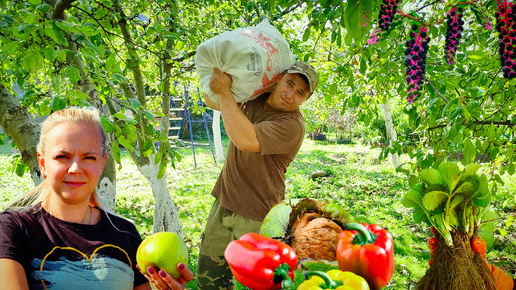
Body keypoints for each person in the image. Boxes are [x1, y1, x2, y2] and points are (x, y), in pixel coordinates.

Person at [0, 107, 193, 290]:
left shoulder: (125, 233)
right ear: (42, 163)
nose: (75, 168)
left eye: (89, 157)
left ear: (102, 163)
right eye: (62, 156)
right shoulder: (13, 229)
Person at [197, 61, 319, 289]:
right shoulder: (254, 97)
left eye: (300, 92)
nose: (290, 94)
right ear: (279, 78)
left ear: (305, 99)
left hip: (257, 217)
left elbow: (244, 139)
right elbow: (211, 100)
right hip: (224, 203)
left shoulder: (292, 125)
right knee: (209, 280)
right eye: (289, 83)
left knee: (263, 285)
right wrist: (222, 79)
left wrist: (224, 91)